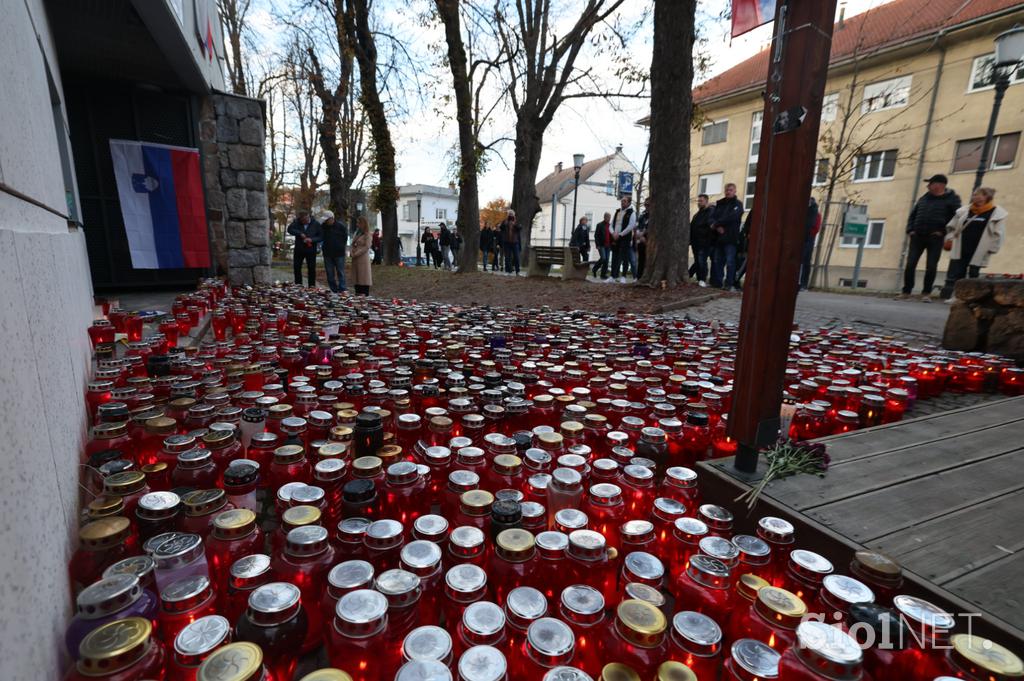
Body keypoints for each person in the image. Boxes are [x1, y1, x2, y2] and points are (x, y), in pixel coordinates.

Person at [899, 174, 961, 301]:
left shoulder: (952, 200)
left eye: (931, 183)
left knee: (931, 266)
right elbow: (913, 215)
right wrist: (910, 230)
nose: (928, 186)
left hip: (935, 238)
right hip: (917, 236)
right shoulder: (924, 198)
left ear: (940, 185)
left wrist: (943, 232)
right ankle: (906, 292)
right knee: (910, 264)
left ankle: (926, 293)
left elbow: (956, 219)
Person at [943, 187, 1006, 299]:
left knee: (974, 273)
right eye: (974, 195)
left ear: (986, 196)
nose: (974, 197)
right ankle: (958, 296)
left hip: (980, 248)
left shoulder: (996, 213)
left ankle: (972, 297)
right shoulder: (964, 211)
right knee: (959, 273)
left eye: (978, 194)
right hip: (962, 246)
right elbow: (951, 226)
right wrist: (949, 238)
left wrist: (993, 248)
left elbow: (999, 233)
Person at [709, 183, 744, 290]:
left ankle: (729, 284)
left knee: (730, 262)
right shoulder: (720, 204)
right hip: (719, 238)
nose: (728, 192)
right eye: (727, 190)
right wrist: (716, 226)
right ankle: (718, 283)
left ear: (735, 191)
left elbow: (731, 217)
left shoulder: (738, 204)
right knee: (717, 261)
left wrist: (716, 224)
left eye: (731, 190)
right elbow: (711, 217)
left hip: (731, 238)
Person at [287, 211, 322, 286]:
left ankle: (311, 286)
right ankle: (298, 286)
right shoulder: (297, 222)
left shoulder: (316, 224)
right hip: (299, 249)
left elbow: (321, 236)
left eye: (305, 220)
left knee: (311, 269)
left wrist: (312, 240)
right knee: (297, 268)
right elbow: (289, 229)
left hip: (311, 250)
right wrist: (299, 233)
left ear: (308, 217)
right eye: (302, 221)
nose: (304, 222)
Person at [320, 211, 348, 293]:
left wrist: (341, 246)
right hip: (327, 253)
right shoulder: (323, 227)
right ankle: (333, 289)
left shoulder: (341, 227)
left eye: (327, 220)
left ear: (332, 218)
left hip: (339, 253)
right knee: (329, 273)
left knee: (340, 272)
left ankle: (342, 289)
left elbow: (345, 238)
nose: (325, 221)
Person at [610, 195, 637, 282]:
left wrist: (621, 234)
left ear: (629, 202)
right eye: (622, 201)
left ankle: (623, 277)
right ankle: (612, 276)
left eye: (624, 201)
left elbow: (631, 226)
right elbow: (611, 225)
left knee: (624, 258)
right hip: (615, 238)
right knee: (615, 257)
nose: (622, 202)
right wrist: (613, 233)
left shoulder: (631, 213)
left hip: (625, 239)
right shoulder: (617, 212)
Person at [688, 194, 713, 287]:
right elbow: (692, 226)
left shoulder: (710, 212)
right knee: (698, 261)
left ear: (706, 201)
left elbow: (709, 225)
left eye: (701, 201)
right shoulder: (697, 214)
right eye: (698, 201)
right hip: (695, 241)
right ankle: (697, 277)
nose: (699, 203)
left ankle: (702, 278)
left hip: (704, 241)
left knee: (701, 260)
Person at [799, 197, 821, 291]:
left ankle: (803, 284)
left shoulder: (815, 214)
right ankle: (802, 283)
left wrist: (809, 234)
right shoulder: (807, 212)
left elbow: (816, 227)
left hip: (808, 238)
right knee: (804, 262)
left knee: (805, 261)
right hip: (807, 238)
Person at [350, 215, 373, 296]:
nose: (357, 224)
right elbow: (353, 243)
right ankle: (357, 292)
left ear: (363, 223)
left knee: (363, 277)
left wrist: (357, 253)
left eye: (358, 223)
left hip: (362, 258)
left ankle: (364, 294)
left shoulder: (367, 234)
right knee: (357, 277)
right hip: (355, 258)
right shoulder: (357, 233)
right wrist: (352, 251)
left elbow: (367, 246)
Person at [591, 212, 613, 280]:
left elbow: (611, 235)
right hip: (601, 245)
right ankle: (594, 269)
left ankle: (603, 275)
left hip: (608, 245)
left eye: (610, 217)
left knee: (606, 260)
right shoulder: (599, 225)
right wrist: (597, 244)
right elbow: (596, 235)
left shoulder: (610, 226)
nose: (609, 219)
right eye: (608, 217)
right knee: (603, 258)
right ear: (604, 217)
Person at [500, 210, 521, 275]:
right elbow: (501, 227)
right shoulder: (505, 221)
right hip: (507, 242)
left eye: (512, 214)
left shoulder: (516, 221)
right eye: (509, 214)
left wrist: (514, 223)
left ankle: (517, 271)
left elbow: (520, 228)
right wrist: (505, 222)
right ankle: (508, 271)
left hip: (515, 242)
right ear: (508, 215)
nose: (511, 215)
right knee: (507, 257)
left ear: (514, 215)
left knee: (516, 257)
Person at [634, 198, 650, 279]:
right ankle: (639, 277)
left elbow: (650, 228)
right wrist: (639, 235)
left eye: (648, 205)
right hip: (641, 241)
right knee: (641, 260)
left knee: (648, 262)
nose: (646, 206)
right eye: (645, 204)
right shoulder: (642, 215)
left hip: (649, 242)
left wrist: (643, 235)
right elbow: (637, 226)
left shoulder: (654, 216)